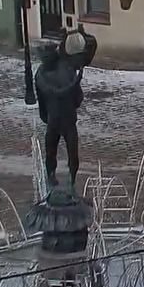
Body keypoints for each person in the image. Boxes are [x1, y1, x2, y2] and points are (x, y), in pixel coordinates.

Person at [35, 26, 98, 187]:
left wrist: (45, 114)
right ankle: (71, 182)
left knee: (50, 150)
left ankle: (51, 178)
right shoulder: (68, 71)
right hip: (68, 120)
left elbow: (41, 100)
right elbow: (78, 97)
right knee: (72, 152)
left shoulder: (40, 75)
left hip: (52, 120)